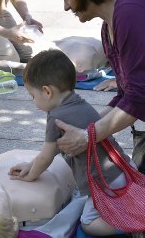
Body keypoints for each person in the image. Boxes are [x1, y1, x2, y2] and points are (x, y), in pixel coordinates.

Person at [8, 49, 134, 236]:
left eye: (32, 96)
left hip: (104, 183)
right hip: (124, 168)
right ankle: (132, 211)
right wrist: (30, 164)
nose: (34, 102)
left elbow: (46, 157)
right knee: (125, 202)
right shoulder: (80, 103)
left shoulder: (55, 118)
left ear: (47, 91)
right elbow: (51, 151)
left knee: (88, 223)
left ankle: (131, 226)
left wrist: (31, 175)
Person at [51, 0, 145, 173]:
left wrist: (87, 136)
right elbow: (126, 95)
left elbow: (138, 97)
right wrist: (86, 126)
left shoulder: (129, 12)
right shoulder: (108, 26)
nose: (65, 6)